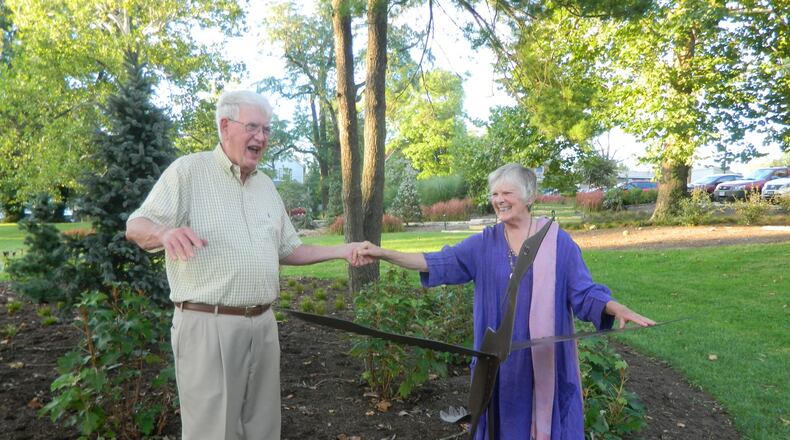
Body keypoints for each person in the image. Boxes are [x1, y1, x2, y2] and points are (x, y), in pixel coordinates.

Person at [125, 90, 369, 440]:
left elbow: (288, 249)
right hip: (208, 326)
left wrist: (342, 251)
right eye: (253, 127)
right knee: (213, 432)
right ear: (225, 126)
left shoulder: (266, 186)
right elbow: (136, 225)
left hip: (263, 326)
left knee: (263, 429)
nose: (262, 137)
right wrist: (164, 233)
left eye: (267, 129)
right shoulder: (188, 172)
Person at [353, 163, 655, 440]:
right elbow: (437, 261)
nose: (499, 199)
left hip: (544, 364)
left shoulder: (558, 243)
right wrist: (383, 253)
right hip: (499, 368)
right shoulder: (484, 243)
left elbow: (583, 291)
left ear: (530, 196)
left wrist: (614, 306)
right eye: (495, 193)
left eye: (507, 192)